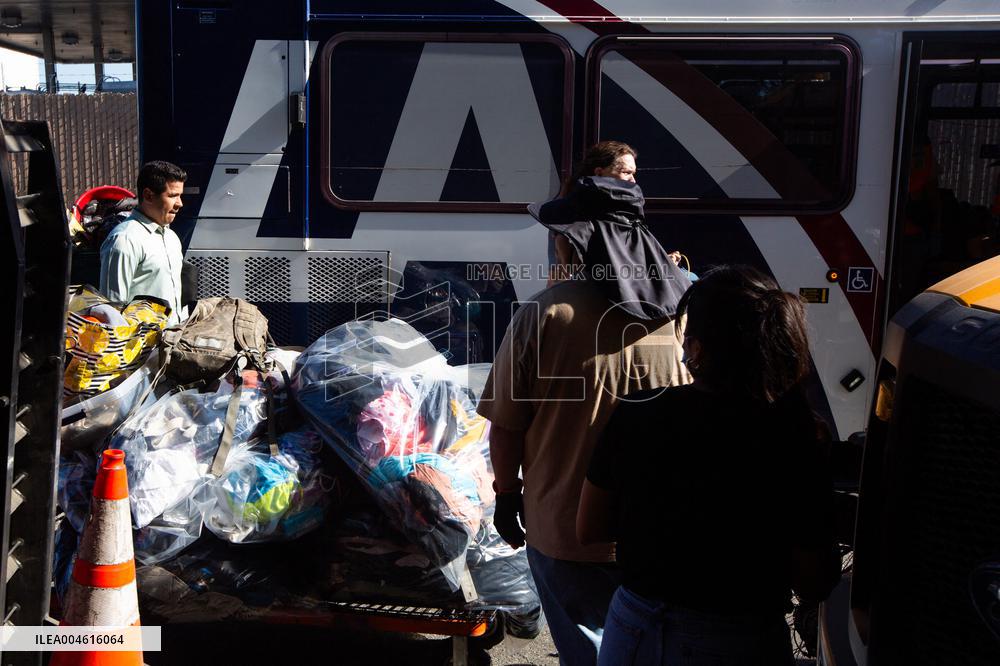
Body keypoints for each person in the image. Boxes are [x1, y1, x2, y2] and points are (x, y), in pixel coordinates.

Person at [477, 172, 693, 665]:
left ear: (576, 244)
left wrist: (507, 494)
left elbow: (507, 425)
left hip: (565, 530)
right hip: (660, 533)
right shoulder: (681, 314)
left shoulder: (544, 315)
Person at [577, 266, 841, 666]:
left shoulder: (639, 414)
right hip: (744, 637)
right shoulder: (797, 432)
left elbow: (590, 528)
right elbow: (815, 579)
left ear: (698, 348)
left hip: (636, 629)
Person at [549, 142, 684, 285]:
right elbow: (616, 275)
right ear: (599, 173)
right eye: (626, 173)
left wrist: (662, 262)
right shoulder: (593, 218)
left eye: (634, 174)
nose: (633, 180)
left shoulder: (614, 212)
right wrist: (662, 268)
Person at [100, 161, 188, 325]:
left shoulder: (171, 237)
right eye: (172, 196)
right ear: (148, 196)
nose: (179, 203)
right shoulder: (124, 240)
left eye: (180, 195)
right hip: (140, 349)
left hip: (171, 342)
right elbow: (113, 309)